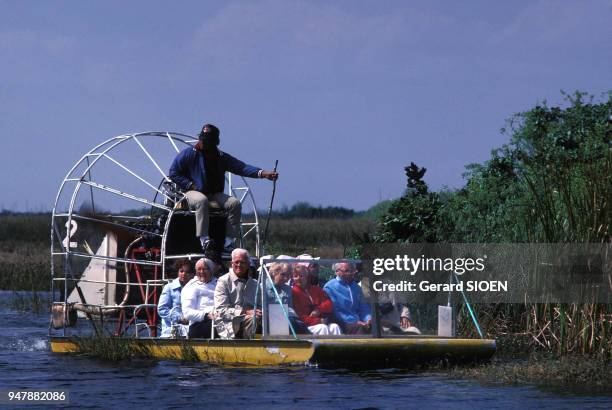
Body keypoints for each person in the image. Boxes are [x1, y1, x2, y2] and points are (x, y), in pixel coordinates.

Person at [169, 123, 278, 253]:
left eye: (206, 140)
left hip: (213, 194)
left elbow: (241, 167)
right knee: (201, 200)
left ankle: (228, 242)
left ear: (214, 142)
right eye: (202, 139)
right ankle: (204, 239)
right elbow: (173, 173)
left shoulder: (221, 157)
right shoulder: (188, 154)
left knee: (234, 204)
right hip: (192, 192)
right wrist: (190, 185)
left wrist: (263, 173)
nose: (202, 142)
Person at [214, 248, 261, 339]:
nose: (239, 265)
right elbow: (221, 310)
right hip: (229, 322)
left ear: (248, 264)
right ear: (232, 264)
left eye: (242, 262)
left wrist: (259, 312)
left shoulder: (255, 284)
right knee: (253, 319)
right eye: (236, 262)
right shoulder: (223, 281)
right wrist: (246, 312)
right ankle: (248, 348)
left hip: (252, 319)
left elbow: (260, 305)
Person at [292, 263, 341, 335]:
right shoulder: (293, 292)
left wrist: (318, 310)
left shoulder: (316, 289)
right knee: (322, 328)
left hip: (321, 320)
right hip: (306, 325)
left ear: (307, 277)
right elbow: (299, 316)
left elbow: (329, 304)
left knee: (335, 327)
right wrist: (318, 321)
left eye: (301, 276)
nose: (299, 278)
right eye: (296, 276)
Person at [323, 261, 372, 334]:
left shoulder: (356, 287)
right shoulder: (329, 287)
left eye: (352, 270)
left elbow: (363, 307)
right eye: (347, 271)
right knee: (360, 328)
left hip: (359, 322)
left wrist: (368, 319)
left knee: (376, 326)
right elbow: (335, 311)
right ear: (337, 272)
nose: (351, 273)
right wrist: (355, 322)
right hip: (342, 323)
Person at [265, 262, 307, 334]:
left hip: (287, 320)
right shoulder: (262, 287)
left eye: (288, 276)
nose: (286, 278)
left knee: (297, 323)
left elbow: (290, 308)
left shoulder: (288, 289)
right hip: (268, 321)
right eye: (283, 275)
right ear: (273, 273)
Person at [181, 258, 218, 338]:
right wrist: (206, 315)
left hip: (219, 319)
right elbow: (187, 312)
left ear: (211, 270)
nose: (201, 272)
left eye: (205, 269)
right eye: (199, 269)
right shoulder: (191, 286)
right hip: (200, 323)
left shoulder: (219, 283)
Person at [158, 259, 193, 338]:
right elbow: (162, 309)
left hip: (190, 332)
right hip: (170, 331)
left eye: (187, 272)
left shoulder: (194, 288)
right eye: (181, 271)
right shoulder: (169, 287)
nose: (183, 274)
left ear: (192, 274)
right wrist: (179, 318)